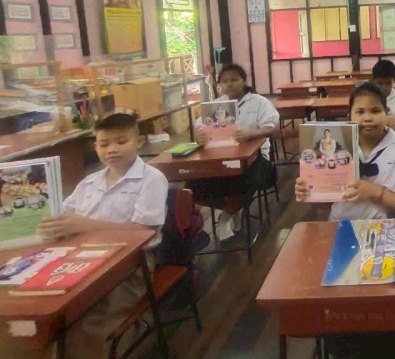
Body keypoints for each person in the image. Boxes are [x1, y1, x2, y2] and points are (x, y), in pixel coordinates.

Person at [36, 112, 168, 359]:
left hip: (132, 265)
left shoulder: (151, 179)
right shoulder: (89, 182)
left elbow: (145, 231)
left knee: (90, 323)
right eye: (104, 144)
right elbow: (63, 214)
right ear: (95, 147)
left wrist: (86, 225)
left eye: (121, 141)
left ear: (139, 142)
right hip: (82, 260)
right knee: (45, 315)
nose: (112, 150)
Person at [295, 81, 395, 220]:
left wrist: (377, 193)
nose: (367, 118)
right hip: (341, 225)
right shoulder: (334, 150)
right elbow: (325, 205)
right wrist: (310, 192)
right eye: (360, 112)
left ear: (387, 114)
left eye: (375, 111)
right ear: (350, 115)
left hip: (388, 229)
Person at [193, 63, 279, 240]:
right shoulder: (216, 105)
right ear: (219, 85)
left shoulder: (259, 102)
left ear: (243, 81)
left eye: (234, 80)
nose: (229, 84)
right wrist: (200, 137)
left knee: (247, 177)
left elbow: (272, 127)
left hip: (256, 158)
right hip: (221, 158)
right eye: (224, 81)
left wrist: (250, 134)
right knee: (194, 184)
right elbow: (199, 127)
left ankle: (226, 216)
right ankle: (232, 208)